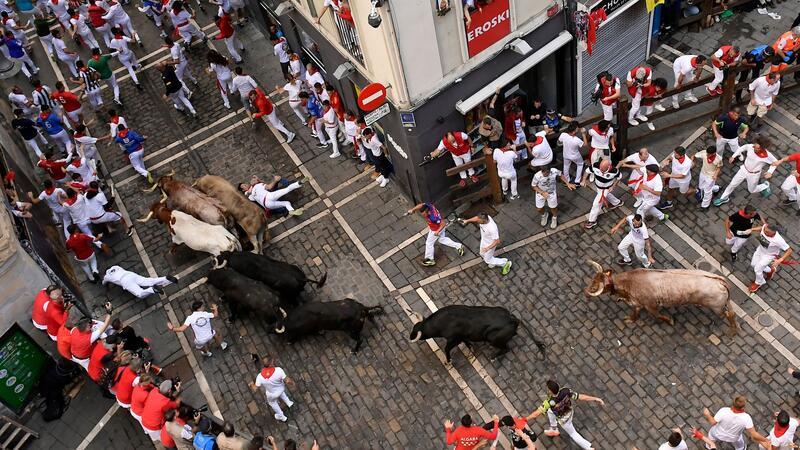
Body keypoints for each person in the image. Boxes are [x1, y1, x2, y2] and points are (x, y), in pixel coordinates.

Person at [526, 380, 604, 450]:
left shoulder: (548, 402)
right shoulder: (566, 391)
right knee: (550, 411)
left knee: (573, 434)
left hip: (564, 421)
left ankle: (588, 448)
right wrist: (596, 398)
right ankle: (554, 429)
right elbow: (581, 397)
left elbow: (536, 413)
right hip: (570, 413)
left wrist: (525, 419)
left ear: (550, 391)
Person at [714, 137, 778, 206]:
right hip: (743, 169)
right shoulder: (751, 147)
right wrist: (733, 156)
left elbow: (776, 162)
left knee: (752, 190)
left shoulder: (767, 155)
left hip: (754, 175)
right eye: (755, 147)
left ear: (763, 148)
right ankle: (724, 198)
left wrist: (770, 172)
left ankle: (765, 186)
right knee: (732, 184)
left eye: (758, 148)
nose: (755, 149)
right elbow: (742, 148)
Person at [702, 396, 772, 449]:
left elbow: (713, 422)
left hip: (717, 433)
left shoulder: (723, 411)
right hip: (733, 437)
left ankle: (709, 445)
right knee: (739, 442)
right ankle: (740, 448)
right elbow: (754, 434)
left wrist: (707, 414)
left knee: (711, 436)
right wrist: (766, 440)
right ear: (743, 407)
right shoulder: (746, 418)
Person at [407, 202, 464, 267]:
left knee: (429, 243)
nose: (423, 216)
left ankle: (430, 259)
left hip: (436, 229)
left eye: (424, 214)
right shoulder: (429, 206)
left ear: (428, 212)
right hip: (436, 227)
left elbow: (443, 223)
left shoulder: (434, 218)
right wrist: (413, 209)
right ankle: (459, 246)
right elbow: (421, 205)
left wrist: (437, 231)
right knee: (442, 240)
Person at [749, 222, 792, 293]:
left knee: (757, 269)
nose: (765, 232)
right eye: (765, 230)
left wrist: (780, 260)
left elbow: (789, 250)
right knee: (753, 264)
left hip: (769, 255)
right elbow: (761, 228)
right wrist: (752, 229)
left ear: (774, 232)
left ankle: (759, 282)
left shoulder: (778, 240)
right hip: (760, 250)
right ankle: (770, 270)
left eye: (767, 232)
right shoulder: (765, 227)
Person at [249, 355, 294, 422]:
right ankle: (288, 402)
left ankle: (281, 416)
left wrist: (251, 384)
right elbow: (287, 380)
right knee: (281, 393)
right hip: (281, 388)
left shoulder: (260, 377)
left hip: (272, 394)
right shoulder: (279, 370)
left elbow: (255, 389)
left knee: (272, 403)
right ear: (270, 364)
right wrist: (292, 383)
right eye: (272, 361)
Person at [582, 158, 622, 229]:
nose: (600, 169)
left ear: (608, 167)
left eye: (602, 169)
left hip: (605, 189)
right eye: (600, 167)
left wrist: (613, 186)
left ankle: (592, 221)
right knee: (607, 196)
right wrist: (583, 180)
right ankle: (617, 202)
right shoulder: (596, 165)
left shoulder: (614, 171)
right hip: (598, 187)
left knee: (596, 204)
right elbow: (587, 171)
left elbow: (619, 177)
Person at [531, 165, 575, 229]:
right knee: (539, 209)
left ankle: (554, 218)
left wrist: (567, 183)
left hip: (551, 193)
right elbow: (533, 186)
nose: (544, 174)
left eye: (546, 173)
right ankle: (544, 215)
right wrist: (542, 193)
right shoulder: (537, 176)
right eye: (543, 173)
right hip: (540, 193)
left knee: (553, 207)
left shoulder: (554, 171)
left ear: (549, 171)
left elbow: (561, 175)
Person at [70, 305, 113, 370]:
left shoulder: (74, 330)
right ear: (86, 329)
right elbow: (104, 325)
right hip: (84, 359)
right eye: (89, 326)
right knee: (96, 370)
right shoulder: (88, 338)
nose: (91, 326)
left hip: (74, 354)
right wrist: (109, 312)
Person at [239, 175, 304, 216]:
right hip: (269, 197)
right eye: (244, 186)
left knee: (286, 203)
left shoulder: (257, 186)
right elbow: (248, 193)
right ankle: (299, 183)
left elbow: (266, 185)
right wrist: (275, 180)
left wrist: (259, 180)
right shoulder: (249, 194)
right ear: (243, 190)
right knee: (286, 190)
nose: (246, 184)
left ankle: (291, 211)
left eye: (245, 184)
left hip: (268, 203)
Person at [103, 265, 176, 299]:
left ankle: (152, 290)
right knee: (148, 281)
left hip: (125, 281)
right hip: (130, 274)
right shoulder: (115, 267)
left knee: (139, 294)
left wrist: (106, 284)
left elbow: (104, 282)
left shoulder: (107, 276)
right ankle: (166, 279)